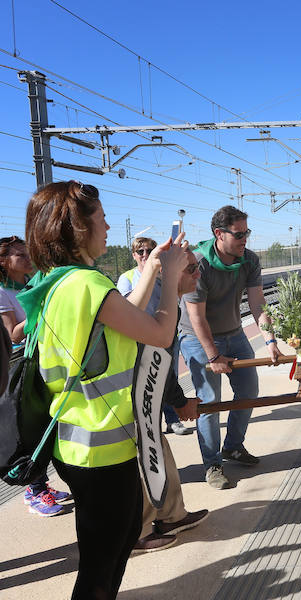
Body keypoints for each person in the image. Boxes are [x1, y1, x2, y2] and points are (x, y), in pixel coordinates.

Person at [21, 180, 188, 599]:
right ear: (77, 227)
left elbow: (122, 316)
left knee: (119, 538)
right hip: (101, 447)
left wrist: (149, 270)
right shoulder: (88, 284)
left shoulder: (58, 281)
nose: (109, 226)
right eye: (101, 218)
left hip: (79, 443)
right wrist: (169, 278)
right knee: (102, 564)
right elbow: (159, 332)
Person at [179, 205, 282, 490]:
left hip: (234, 333)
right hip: (197, 338)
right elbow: (196, 317)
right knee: (210, 402)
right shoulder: (198, 263)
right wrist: (213, 355)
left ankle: (233, 447)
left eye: (247, 232)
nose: (245, 238)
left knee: (248, 391)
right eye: (239, 234)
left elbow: (258, 303)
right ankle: (212, 465)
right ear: (219, 234)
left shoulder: (249, 260)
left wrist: (270, 340)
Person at [132, 251, 207, 553]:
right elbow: (154, 365)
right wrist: (179, 402)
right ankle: (136, 533)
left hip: (146, 395)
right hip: (132, 397)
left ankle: (172, 516)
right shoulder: (153, 304)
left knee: (160, 454)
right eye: (191, 269)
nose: (198, 274)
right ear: (168, 272)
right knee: (144, 462)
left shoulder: (166, 299)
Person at [1, 235, 73, 516]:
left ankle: (41, 483)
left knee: (45, 424)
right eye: (20, 255)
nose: (27, 258)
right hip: (21, 367)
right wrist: (37, 311)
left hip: (42, 360)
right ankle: (34, 491)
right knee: (29, 427)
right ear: (4, 263)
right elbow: (12, 335)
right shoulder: (3, 293)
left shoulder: (31, 283)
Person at [118, 236, 188, 436]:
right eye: (140, 252)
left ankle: (172, 419)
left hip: (164, 337)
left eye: (149, 250)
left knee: (169, 377)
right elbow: (128, 309)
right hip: (139, 341)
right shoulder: (127, 278)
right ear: (134, 255)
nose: (145, 255)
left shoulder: (163, 276)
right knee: (149, 386)